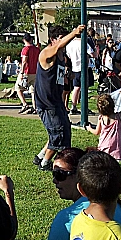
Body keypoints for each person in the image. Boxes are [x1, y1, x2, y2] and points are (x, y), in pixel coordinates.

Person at [33, 24, 84, 170]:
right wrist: (74, 32)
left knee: (64, 130)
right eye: (61, 38)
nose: (65, 41)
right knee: (58, 132)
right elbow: (57, 47)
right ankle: (45, 163)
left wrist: (69, 75)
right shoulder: (47, 53)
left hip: (57, 101)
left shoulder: (63, 56)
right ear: (52, 39)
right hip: (46, 103)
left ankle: (40, 157)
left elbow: (60, 75)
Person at [85, 91, 121, 160]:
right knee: (115, 162)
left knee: (105, 162)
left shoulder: (101, 118)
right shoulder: (118, 117)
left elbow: (96, 132)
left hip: (104, 146)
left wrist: (89, 128)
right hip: (117, 147)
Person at [66, 33, 93, 115]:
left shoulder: (70, 44)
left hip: (75, 67)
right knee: (84, 88)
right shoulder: (84, 43)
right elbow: (93, 54)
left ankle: (73, 106)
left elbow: (68, 55)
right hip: (84, 68)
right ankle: (84, 107)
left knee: (76, 88)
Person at [16, 33, 40, 114]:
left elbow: (24, 61)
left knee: (18, 88)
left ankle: (24, 104)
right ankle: (35, 107)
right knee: (33, 91)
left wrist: (22, 72)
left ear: (24, 40)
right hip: (35, 72)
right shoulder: (37, 49)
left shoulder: (25, 49)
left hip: (27, 72)